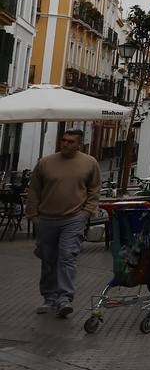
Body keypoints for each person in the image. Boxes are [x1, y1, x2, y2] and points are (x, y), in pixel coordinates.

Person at [25, 129, 101, 318]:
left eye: (70, 141)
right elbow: (34, 189)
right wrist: (33, 214)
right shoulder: (46, 163)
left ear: (79, 144)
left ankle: (64, 298)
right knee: (48, 258)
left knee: (67, 256)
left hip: (74, 218)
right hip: (47, 218)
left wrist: (86, 212)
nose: (65, 144)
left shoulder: (89, 163)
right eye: (64, 140)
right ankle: (49, 297)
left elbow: (94, 189)